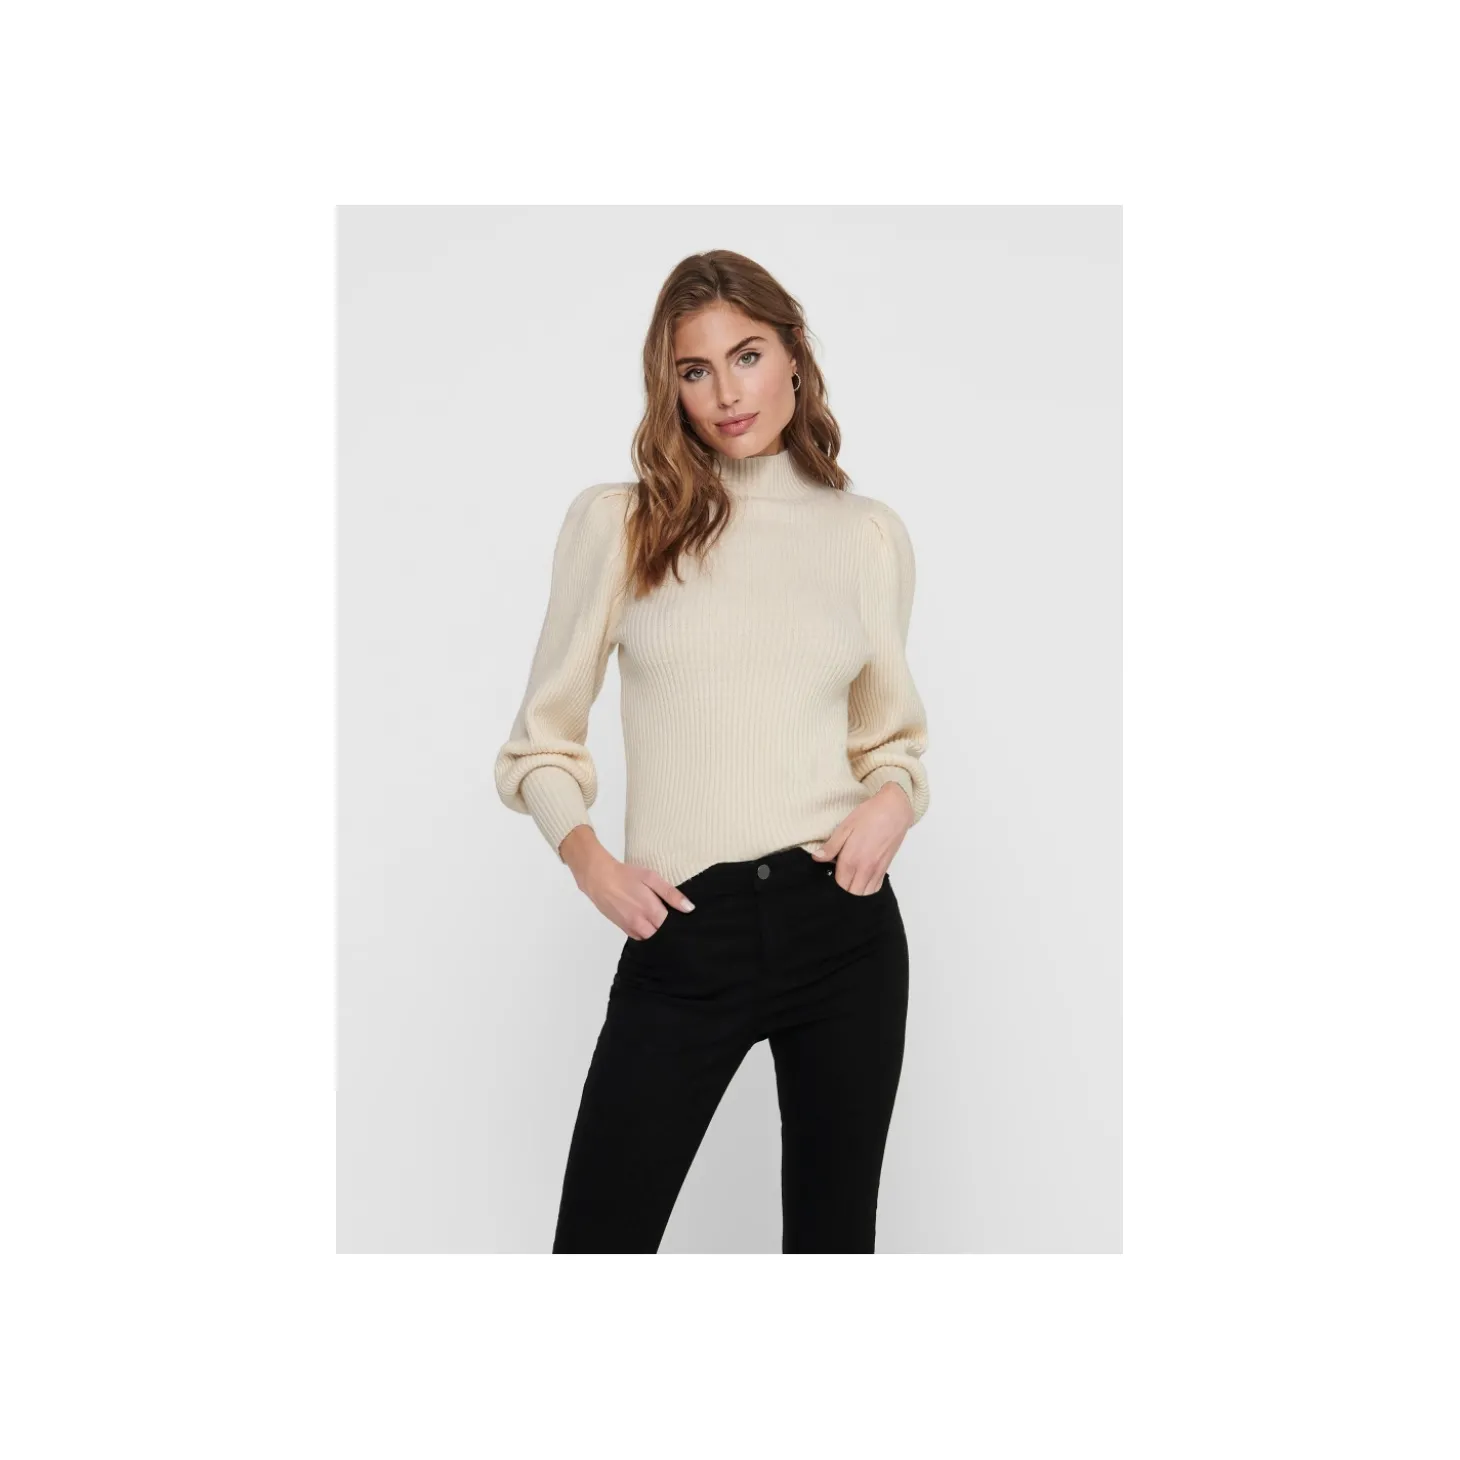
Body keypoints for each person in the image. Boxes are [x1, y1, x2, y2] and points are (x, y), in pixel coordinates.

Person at [493, 249, 931, 1253]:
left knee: (832, 1245)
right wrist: (591, 863)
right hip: (688, 930)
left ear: (793, 356)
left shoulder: (865, 536)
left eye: (748, 355)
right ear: (670, 385)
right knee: (598, 1243)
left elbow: (889, 736)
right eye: (696, 369)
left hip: (843, 927)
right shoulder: (623, 523)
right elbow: (540, 742)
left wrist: (893, 799)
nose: (728, 393)